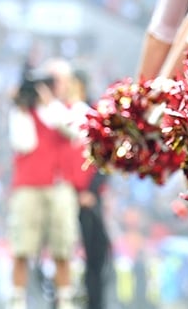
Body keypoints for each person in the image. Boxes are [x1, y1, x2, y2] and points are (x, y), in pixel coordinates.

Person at [7, 58, 82, 309]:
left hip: (59, 186)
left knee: (62, 248)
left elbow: (73, 131)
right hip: (28, 186)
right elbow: (23, 143)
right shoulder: (23, 112)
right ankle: (17, 301)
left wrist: (51, 105)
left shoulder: (71, 109)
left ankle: (65, 301)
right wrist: (21, 105)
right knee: (22, 248)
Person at [68, 69, 110, 309]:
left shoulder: (94, 116)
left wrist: (91, 192)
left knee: (95, 257)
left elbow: (104, 158)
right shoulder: (59, 115)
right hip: (65, 195)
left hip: (89, 199)